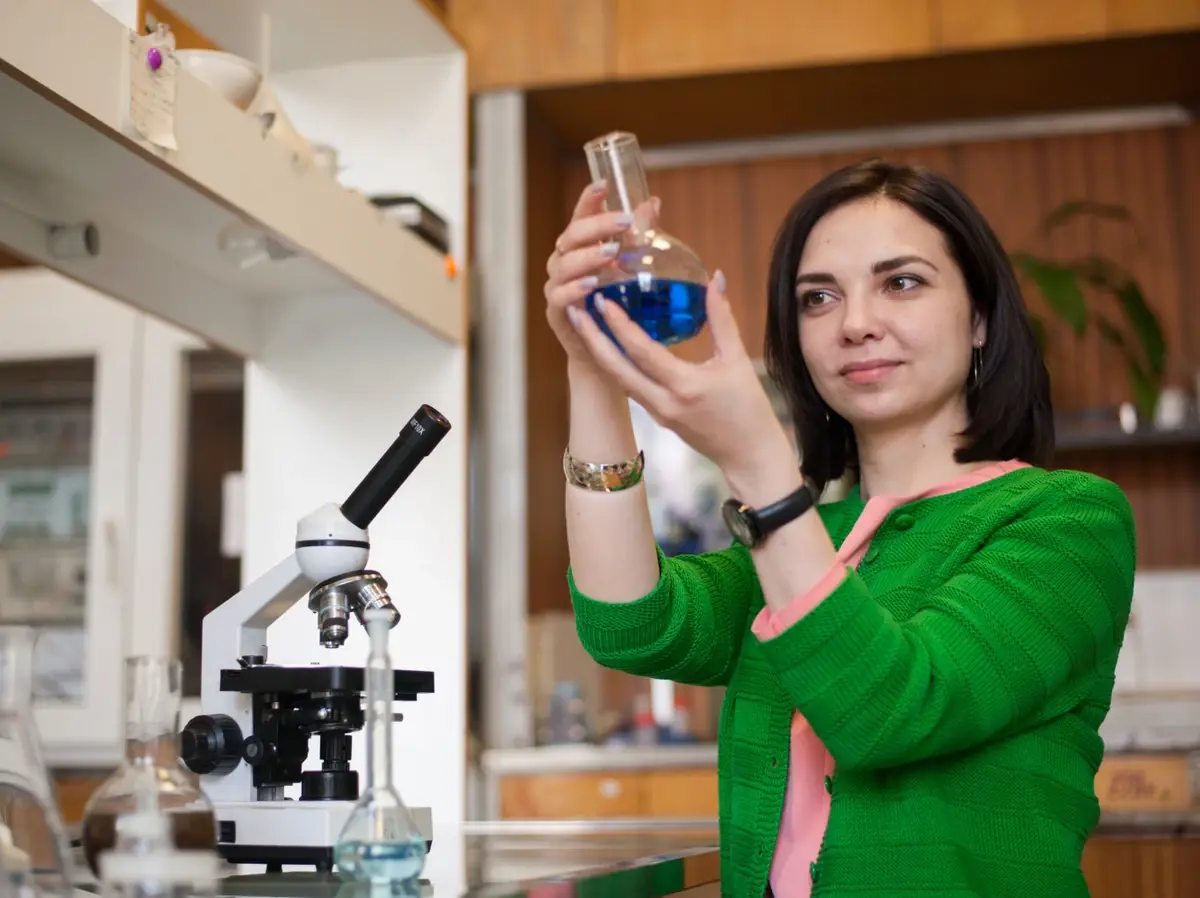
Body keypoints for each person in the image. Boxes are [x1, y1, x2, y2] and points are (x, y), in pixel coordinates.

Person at [542, 158, 1136, 898]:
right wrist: (592, 369)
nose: (856, 324)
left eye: (902, 282)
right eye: (819, 298)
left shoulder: (1069, 519)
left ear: (980, 318)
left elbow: (893, 709)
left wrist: (759, 465)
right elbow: (631, 624)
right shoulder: (807, 538)